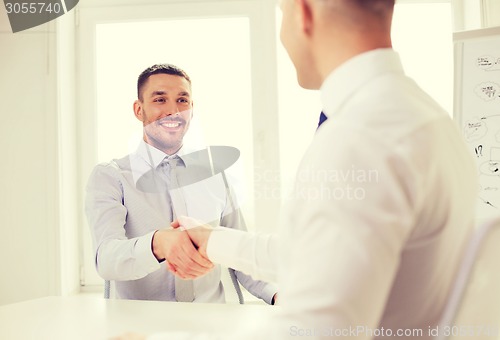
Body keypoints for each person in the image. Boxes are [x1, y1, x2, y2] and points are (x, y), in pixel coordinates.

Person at [116, 0, 477, 339]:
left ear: (303, 11)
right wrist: (214, 240)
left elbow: (317, 326)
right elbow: (317, 258)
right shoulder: (425, 117)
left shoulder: (358, 137)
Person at [85, 63, 277, 304]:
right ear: (138, 109)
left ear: (192, 109)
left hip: (213, 328)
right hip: (142, 329)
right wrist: (158, 244)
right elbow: (106, 259)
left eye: (182, 100)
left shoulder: (215, 176)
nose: (173, 111)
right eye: (160, 100)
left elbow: (241, 256)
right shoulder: (111, 177)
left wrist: (277, 295)